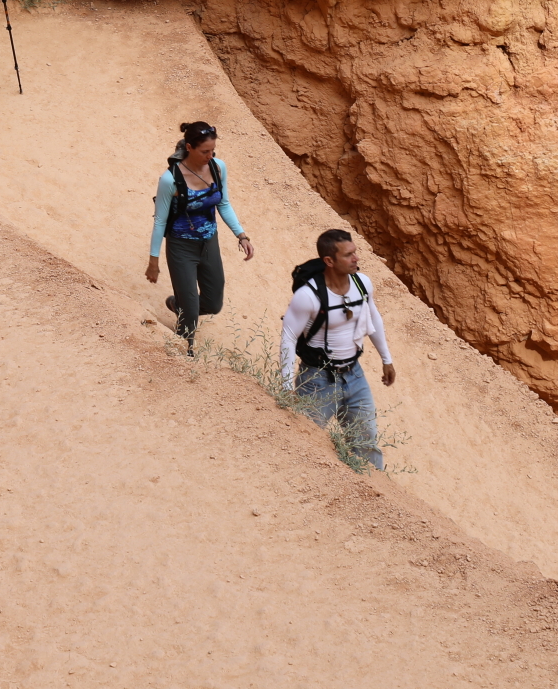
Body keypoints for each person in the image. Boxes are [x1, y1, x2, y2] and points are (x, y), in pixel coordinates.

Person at [280, 228, 396, 471]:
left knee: (366, 443)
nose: (356, 259)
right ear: (329, 261)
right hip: (317, 380)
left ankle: (376, 496)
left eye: (355, 253)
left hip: (355, 375)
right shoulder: (308, 296)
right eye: (348, 255)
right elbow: (289, 338)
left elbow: (372, 318)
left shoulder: (362, 284)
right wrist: (284, 387)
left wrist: (386, 358)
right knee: (305, 441)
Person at [144, 121, 254, 354]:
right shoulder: (170, 180)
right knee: (191, 311)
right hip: (181, 247)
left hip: (209, 243)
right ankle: (185, 351)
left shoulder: (217, 167)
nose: (210, 156)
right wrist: (154, 261)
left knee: (214, 303)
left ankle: (177, 305)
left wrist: (241, 235)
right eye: (205, 151)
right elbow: (160, 220)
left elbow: (223, 203)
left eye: (213, 150)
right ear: (190, 147)